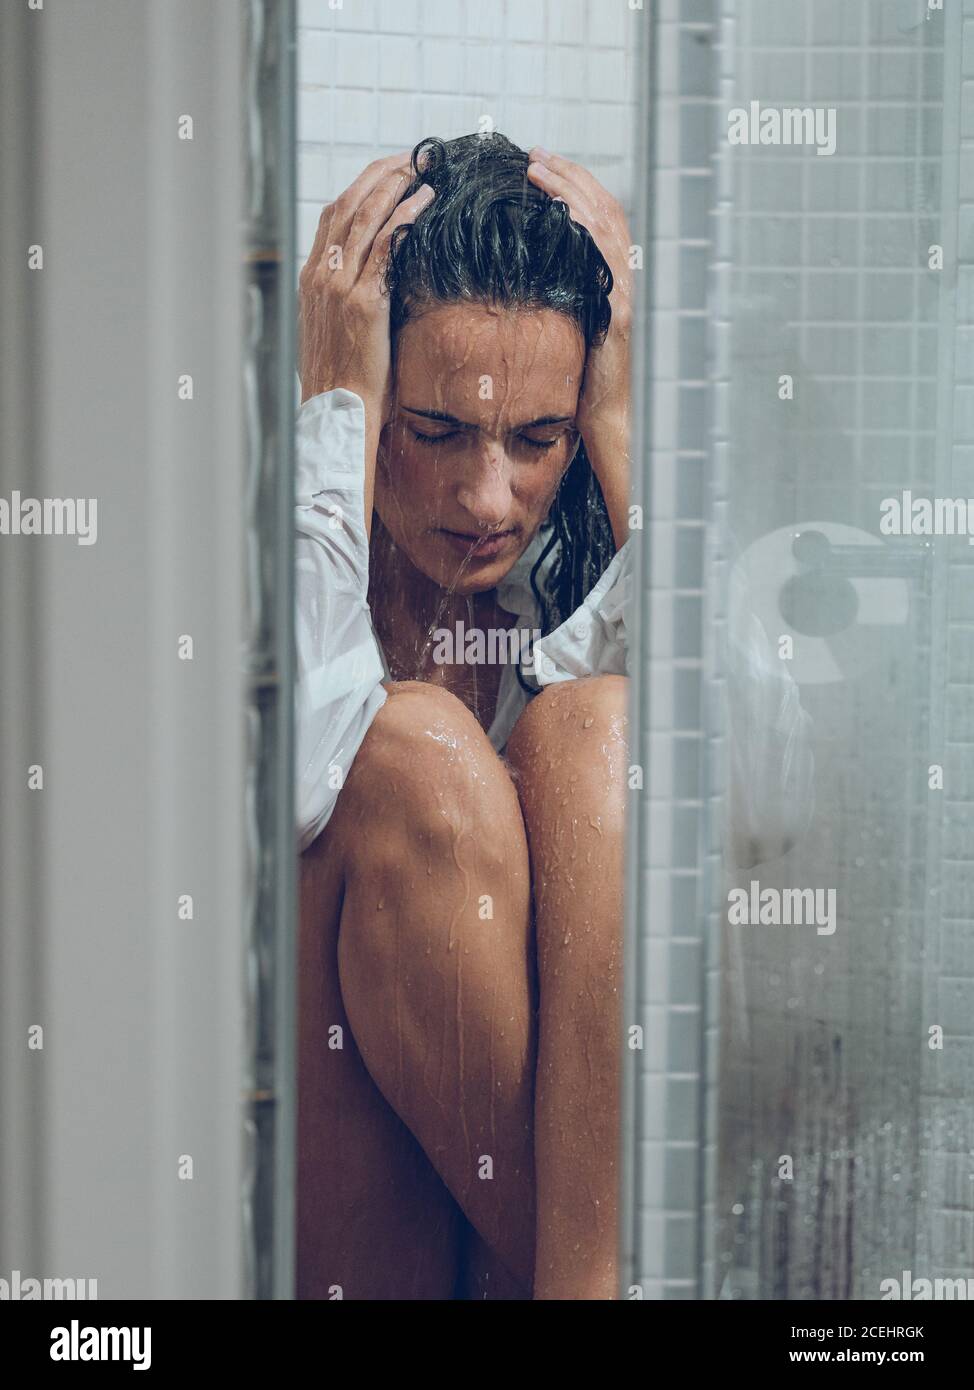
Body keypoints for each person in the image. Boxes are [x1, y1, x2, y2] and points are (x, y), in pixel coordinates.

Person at [294, 133, 813, 1300]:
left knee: (606, 738)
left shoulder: (571, 573)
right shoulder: (263, 523)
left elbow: (773, 796)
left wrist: (625, 433)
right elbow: (271, 790)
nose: (489, 500)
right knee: (416, 754)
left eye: (538, 439)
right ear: (368, 393)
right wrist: (328, 412)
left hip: (535, 1265)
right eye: (432, 431)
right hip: (365, 1257)